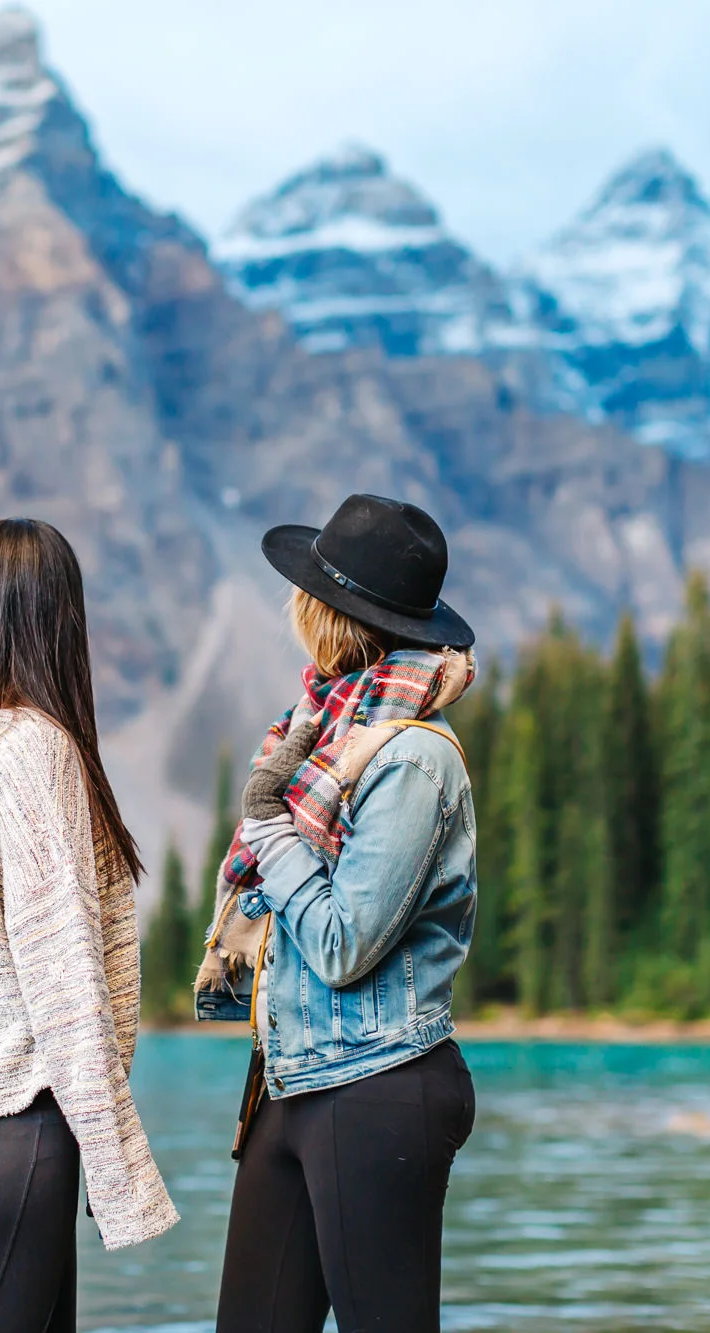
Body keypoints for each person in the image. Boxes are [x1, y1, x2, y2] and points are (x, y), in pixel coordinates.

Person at [197, 493, 480, 1333]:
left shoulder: (414, 759)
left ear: (325, 614)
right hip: (291, 1081)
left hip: (379, 1084)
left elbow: (342, 941)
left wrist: (267, 826)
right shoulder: (322, 734)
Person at [0, 517, 179, 1333]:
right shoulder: (36, 750)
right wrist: (117, 1164)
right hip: (21, 1121)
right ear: (62, 622)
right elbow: (62, 973)